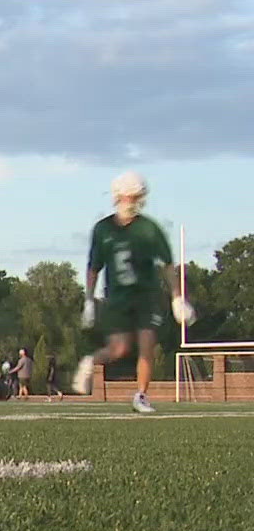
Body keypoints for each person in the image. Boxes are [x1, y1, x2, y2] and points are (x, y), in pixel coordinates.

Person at [73, 172, 195, 414]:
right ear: (119, 197)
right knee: (119, 349)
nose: (135, 202)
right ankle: (90, 361)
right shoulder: (103, 229)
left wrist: (177, 298)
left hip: (146, 296)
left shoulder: (148, 228)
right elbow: (94, 268)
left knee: (147, 344)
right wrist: (89, 300)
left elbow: (167, 266)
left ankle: (141, 394)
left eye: (138, 197)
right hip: (117, 297)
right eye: (131, 196)